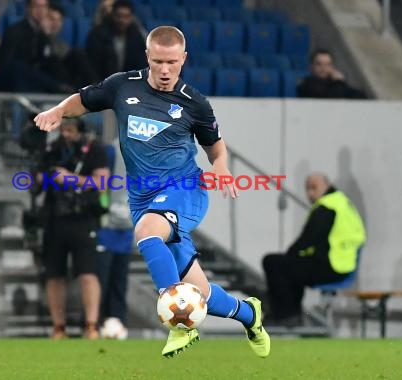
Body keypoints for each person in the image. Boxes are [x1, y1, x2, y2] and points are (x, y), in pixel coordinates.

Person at [34, 26, 270, 358]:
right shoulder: (122, 86)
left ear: (183, 59)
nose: (164, 70)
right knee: (198, 292)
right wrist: (57, 111)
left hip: (184, 190)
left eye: (172, 62)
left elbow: (216, 147)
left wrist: (221, 167)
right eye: (158, 61)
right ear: (147, 57)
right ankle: (249, 314)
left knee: (147, 232)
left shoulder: (194, 104)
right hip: (142, 198)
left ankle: (179, 326)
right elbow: (83, 100)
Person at [37, 117, 110, 340]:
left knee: (88, 273)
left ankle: (91, 325)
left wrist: (69, 178)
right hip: (55, 218)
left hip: (83, 217)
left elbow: (101, 183)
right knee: (54, 275)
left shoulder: (94, 150)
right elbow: (36, 180)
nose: (66, 134)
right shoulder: (51, 150)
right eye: (63, 130)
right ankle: (59, 327)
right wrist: (45, 177)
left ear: (80, 131)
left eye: (70, 130)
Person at [262, 173, 366, 326]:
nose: (310, 193)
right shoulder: (341, 202)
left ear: (326, 185)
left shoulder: (327, 207)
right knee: (292, 266)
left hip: (332, 266)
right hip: (343, 265)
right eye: (307, 189)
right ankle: (291, 314)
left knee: (273, 262)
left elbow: (309, 238)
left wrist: (290, 254)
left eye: (314, 188)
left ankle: (286, 316)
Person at [96, 138, 134, 339]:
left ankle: (118, 323)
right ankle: (97, 324)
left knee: (120, 281)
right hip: (107, 226)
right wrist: (103, 210)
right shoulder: (111, 149)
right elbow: (102, 184)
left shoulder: (146, 149)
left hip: (127, 227)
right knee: (102, 280)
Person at [85, 0, 147, 80]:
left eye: (126, 17)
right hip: (102, 84)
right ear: (112, 15)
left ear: (131, 18)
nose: (122, 20)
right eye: (119, 16)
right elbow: (92, 66)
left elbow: (140, 65)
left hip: (127, 85)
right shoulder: (98, 35)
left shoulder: (136, 37)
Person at [297, 49, 367, 99]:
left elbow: (357, 95)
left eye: (327, 64)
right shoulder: (306, 84)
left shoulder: (333, 82)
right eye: (319, 64)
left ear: (332, 67)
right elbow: (332, 100)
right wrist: (338, 82)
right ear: (311, 67)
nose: (323, 68)